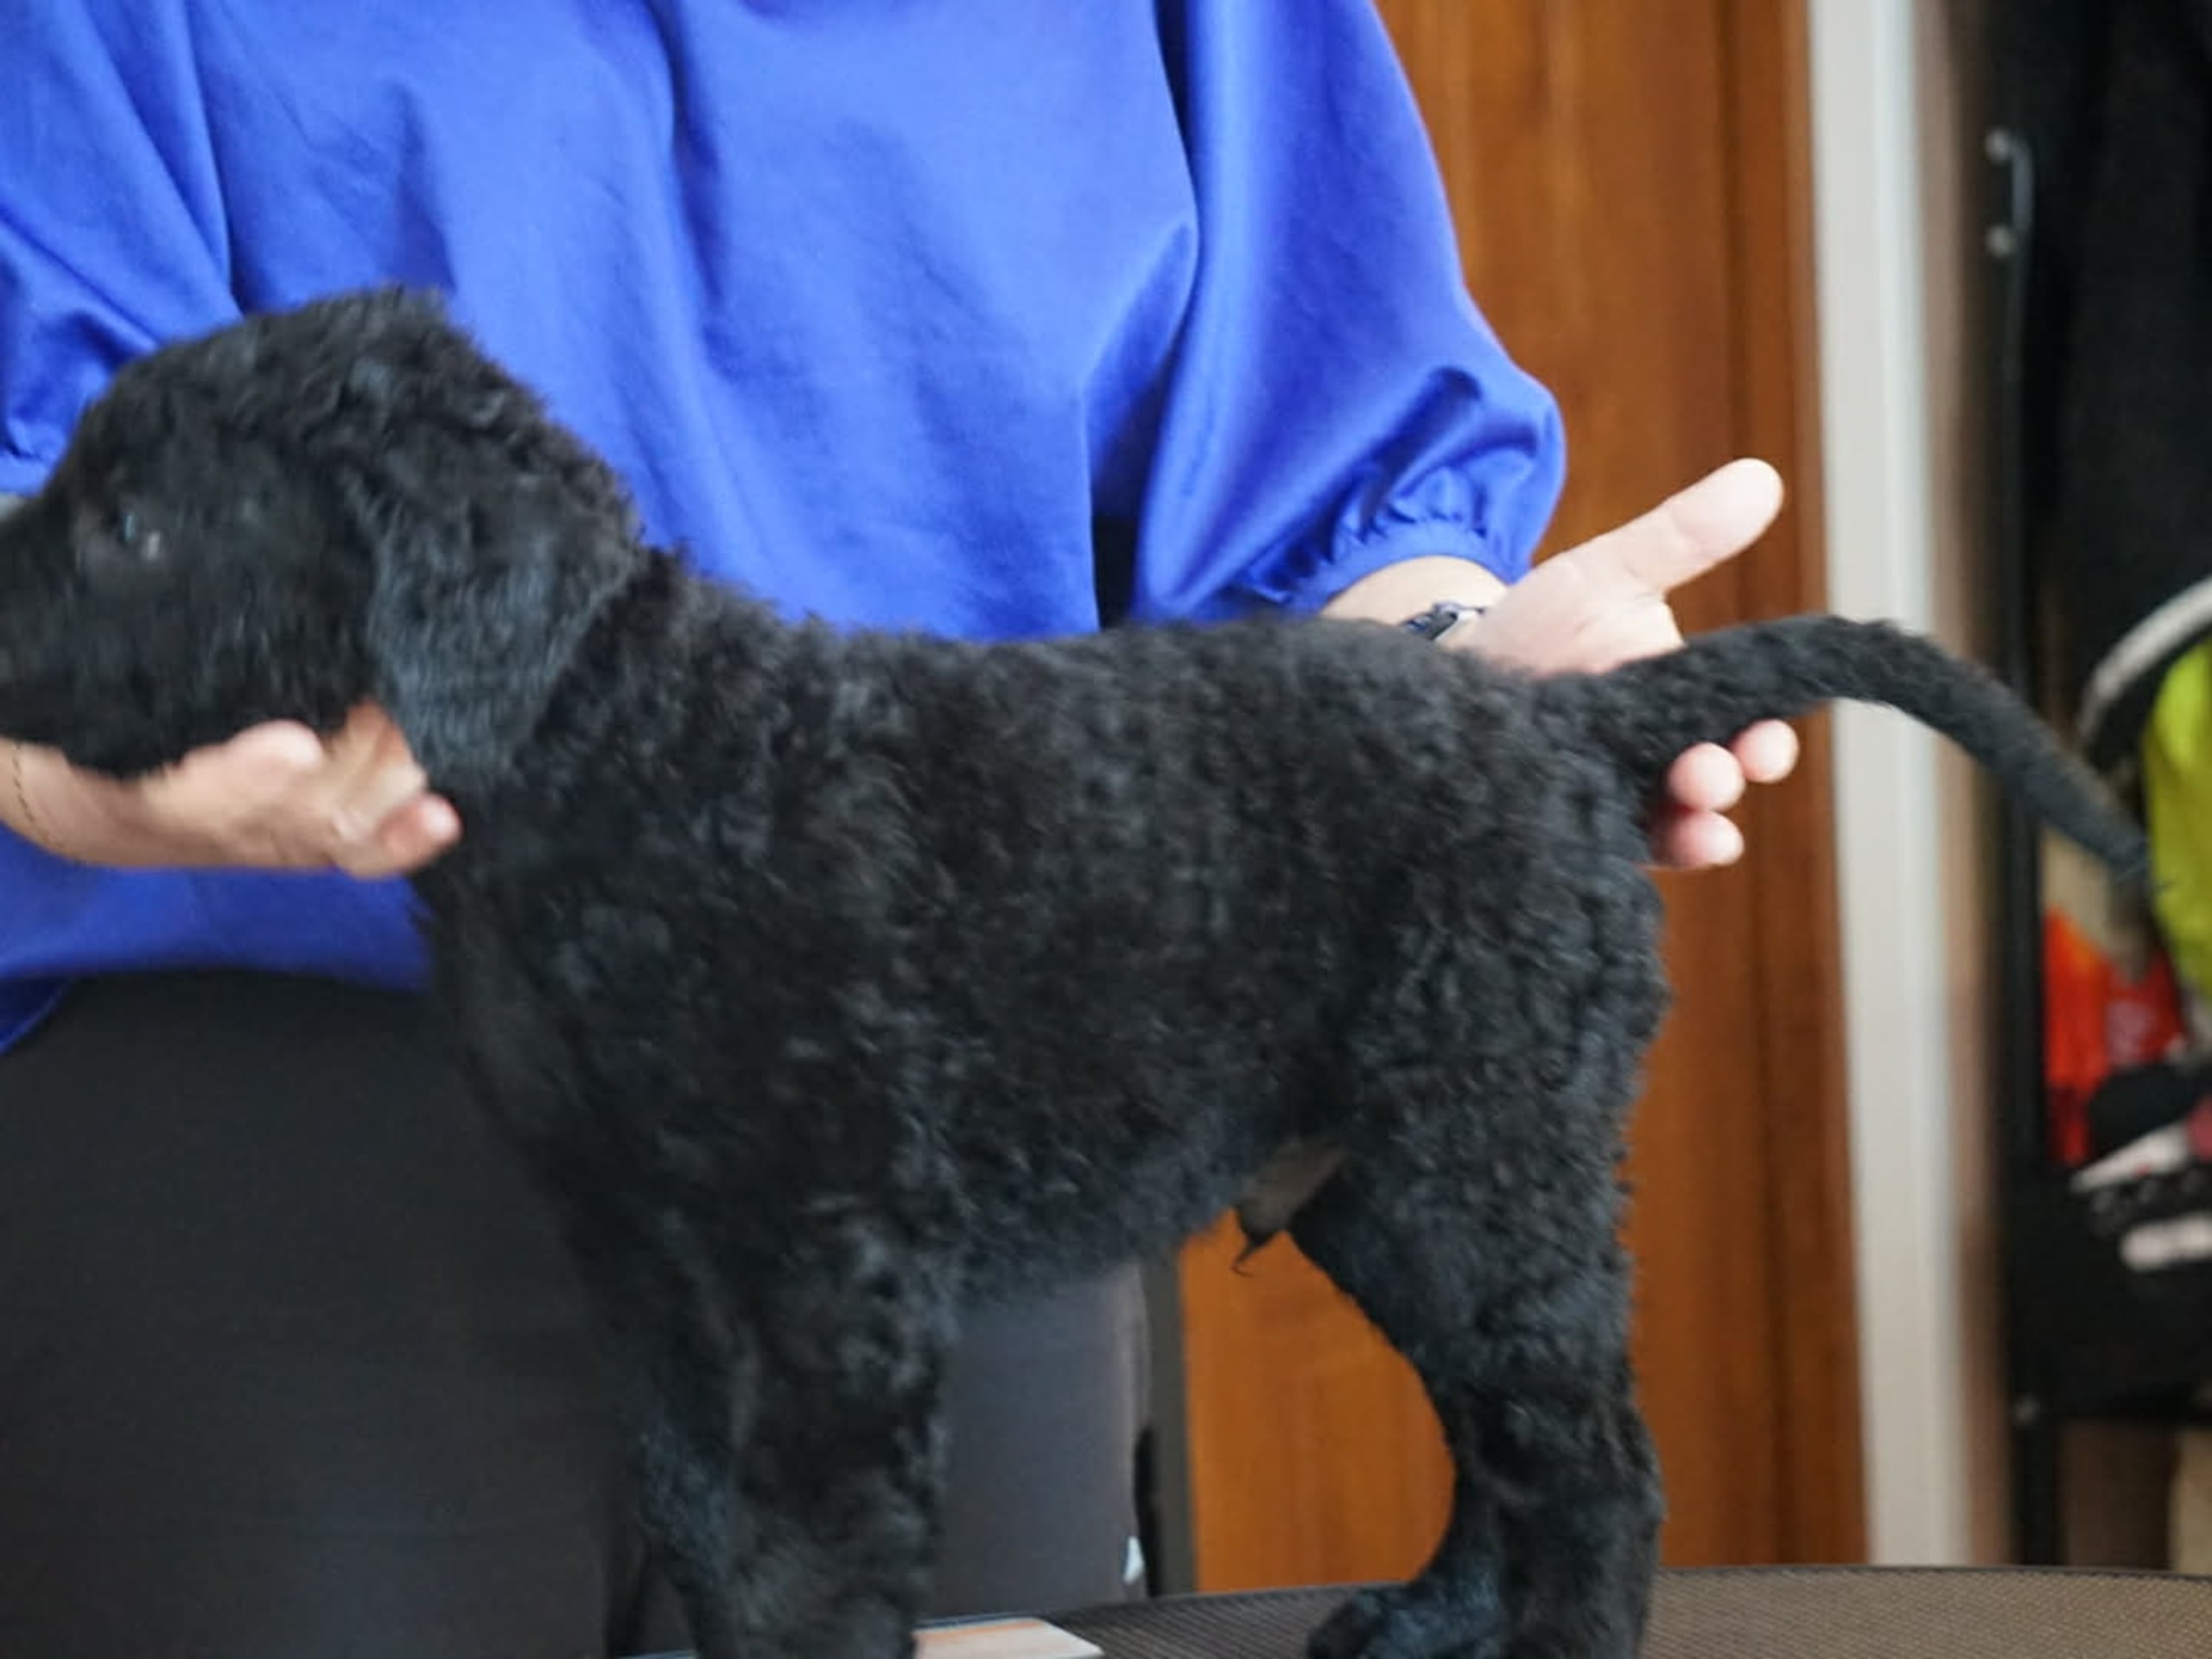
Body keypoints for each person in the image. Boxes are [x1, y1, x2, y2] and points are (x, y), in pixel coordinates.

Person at [0, 3, 1796, 1654]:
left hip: (945, 1046)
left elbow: (1317, 429)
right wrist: (44, 757)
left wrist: (1424, 674)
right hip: (268, 1149)